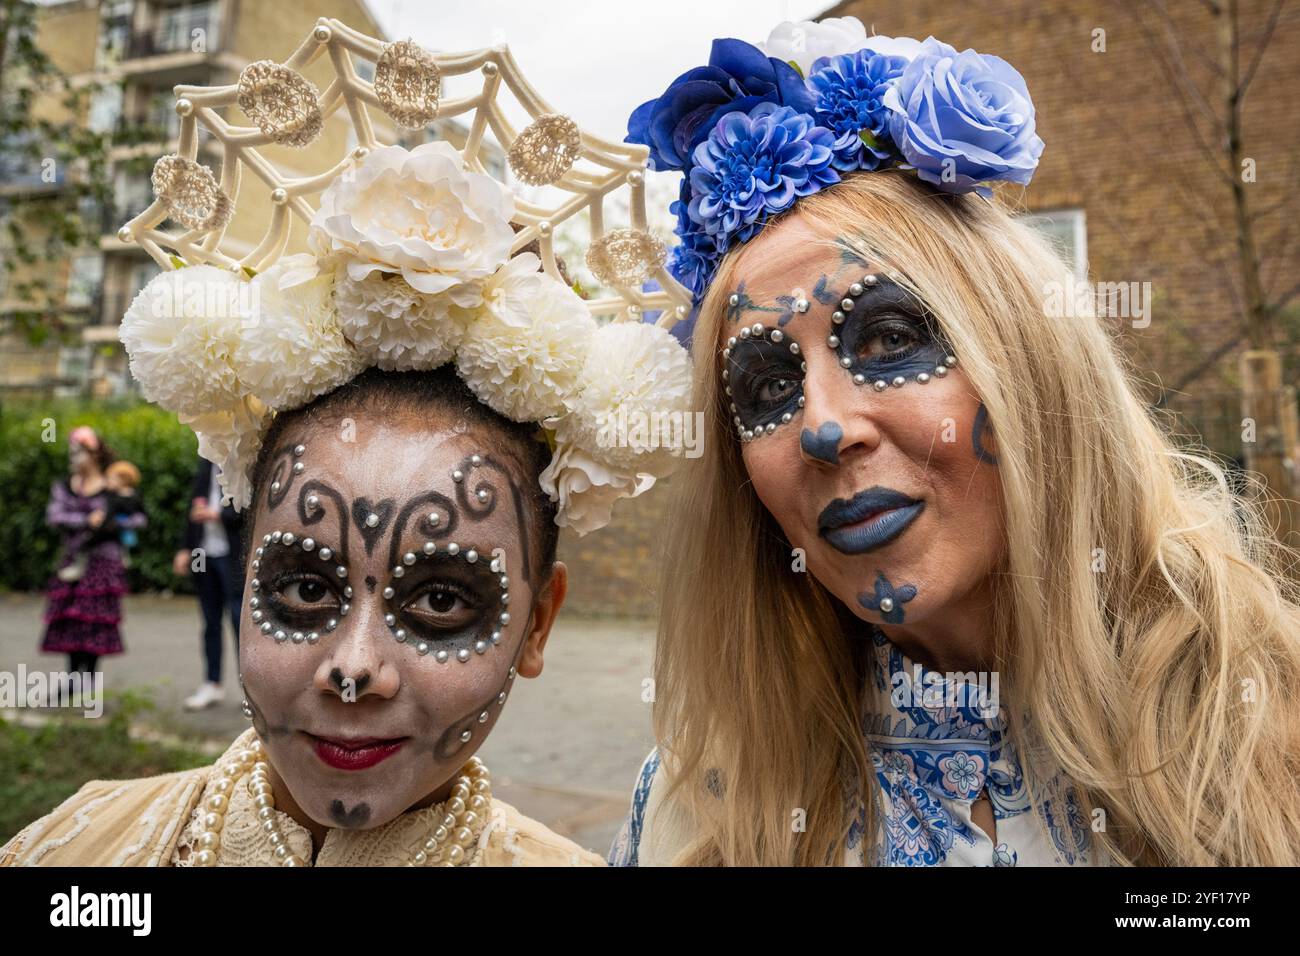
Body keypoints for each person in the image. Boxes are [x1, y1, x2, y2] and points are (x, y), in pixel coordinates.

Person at [608, 19, 1300, 867]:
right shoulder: (701, 813)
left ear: (1034, 364)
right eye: (766, 389)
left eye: (890, 340)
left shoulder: (1272, 723)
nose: (824, 427)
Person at [1, 19, 692, 866]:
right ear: (243, 569)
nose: (354, 668)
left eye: (441, 601)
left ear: (538, 624)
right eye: (301, 588)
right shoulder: (74, 852)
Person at [41, 427, 146, 680]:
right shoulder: (66, 485)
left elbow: (139, 518)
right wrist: (88, 520)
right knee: (71, 619)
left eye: (79, 452)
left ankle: (88, 682)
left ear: (94, 454)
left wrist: (113, 523)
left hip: (103, 560)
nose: (73, 458)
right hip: (73, 558)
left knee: (94, 620)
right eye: (71, 452)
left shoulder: (112, 485)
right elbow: (54, 516)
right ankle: (72, 681)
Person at [175, 457, 245, 711]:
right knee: (210, 622)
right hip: (203, 554)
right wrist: (185, 548)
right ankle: (212, 684)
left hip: (232, 555)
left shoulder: (243, 461)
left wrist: (219, 515)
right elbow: (193, 507)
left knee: (239, 621)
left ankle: (249, 689)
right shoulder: (206, 464)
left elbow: (251, 508)